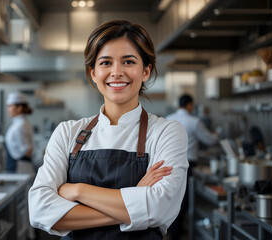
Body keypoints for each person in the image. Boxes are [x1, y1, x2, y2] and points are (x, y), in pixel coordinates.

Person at [28, 20, 188, 239]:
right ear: (93, 73)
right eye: (105, 63)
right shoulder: (68, 132)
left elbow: (160, 209)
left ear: (145, 71)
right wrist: (136, 200)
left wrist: (78, 191)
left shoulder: (166, 132)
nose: (116, 72)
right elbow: (39, 210)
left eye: (128, 62)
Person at [166, 94, 219, 240]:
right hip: (187, 164)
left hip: (168, 164)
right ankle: (176, 234)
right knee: (183, 201)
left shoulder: (168, 118)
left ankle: (172, 230)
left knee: (171, 198)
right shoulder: (194, 121)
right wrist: (217, 134)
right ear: (190, 105)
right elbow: (210, 140)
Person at [5, 92, 35, 174]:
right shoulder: (19, 124)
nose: (8, 109)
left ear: (19, 108)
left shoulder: (20, 125)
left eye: (10, 106)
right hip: (18, 166)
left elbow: (28, 151)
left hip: (20, 167)